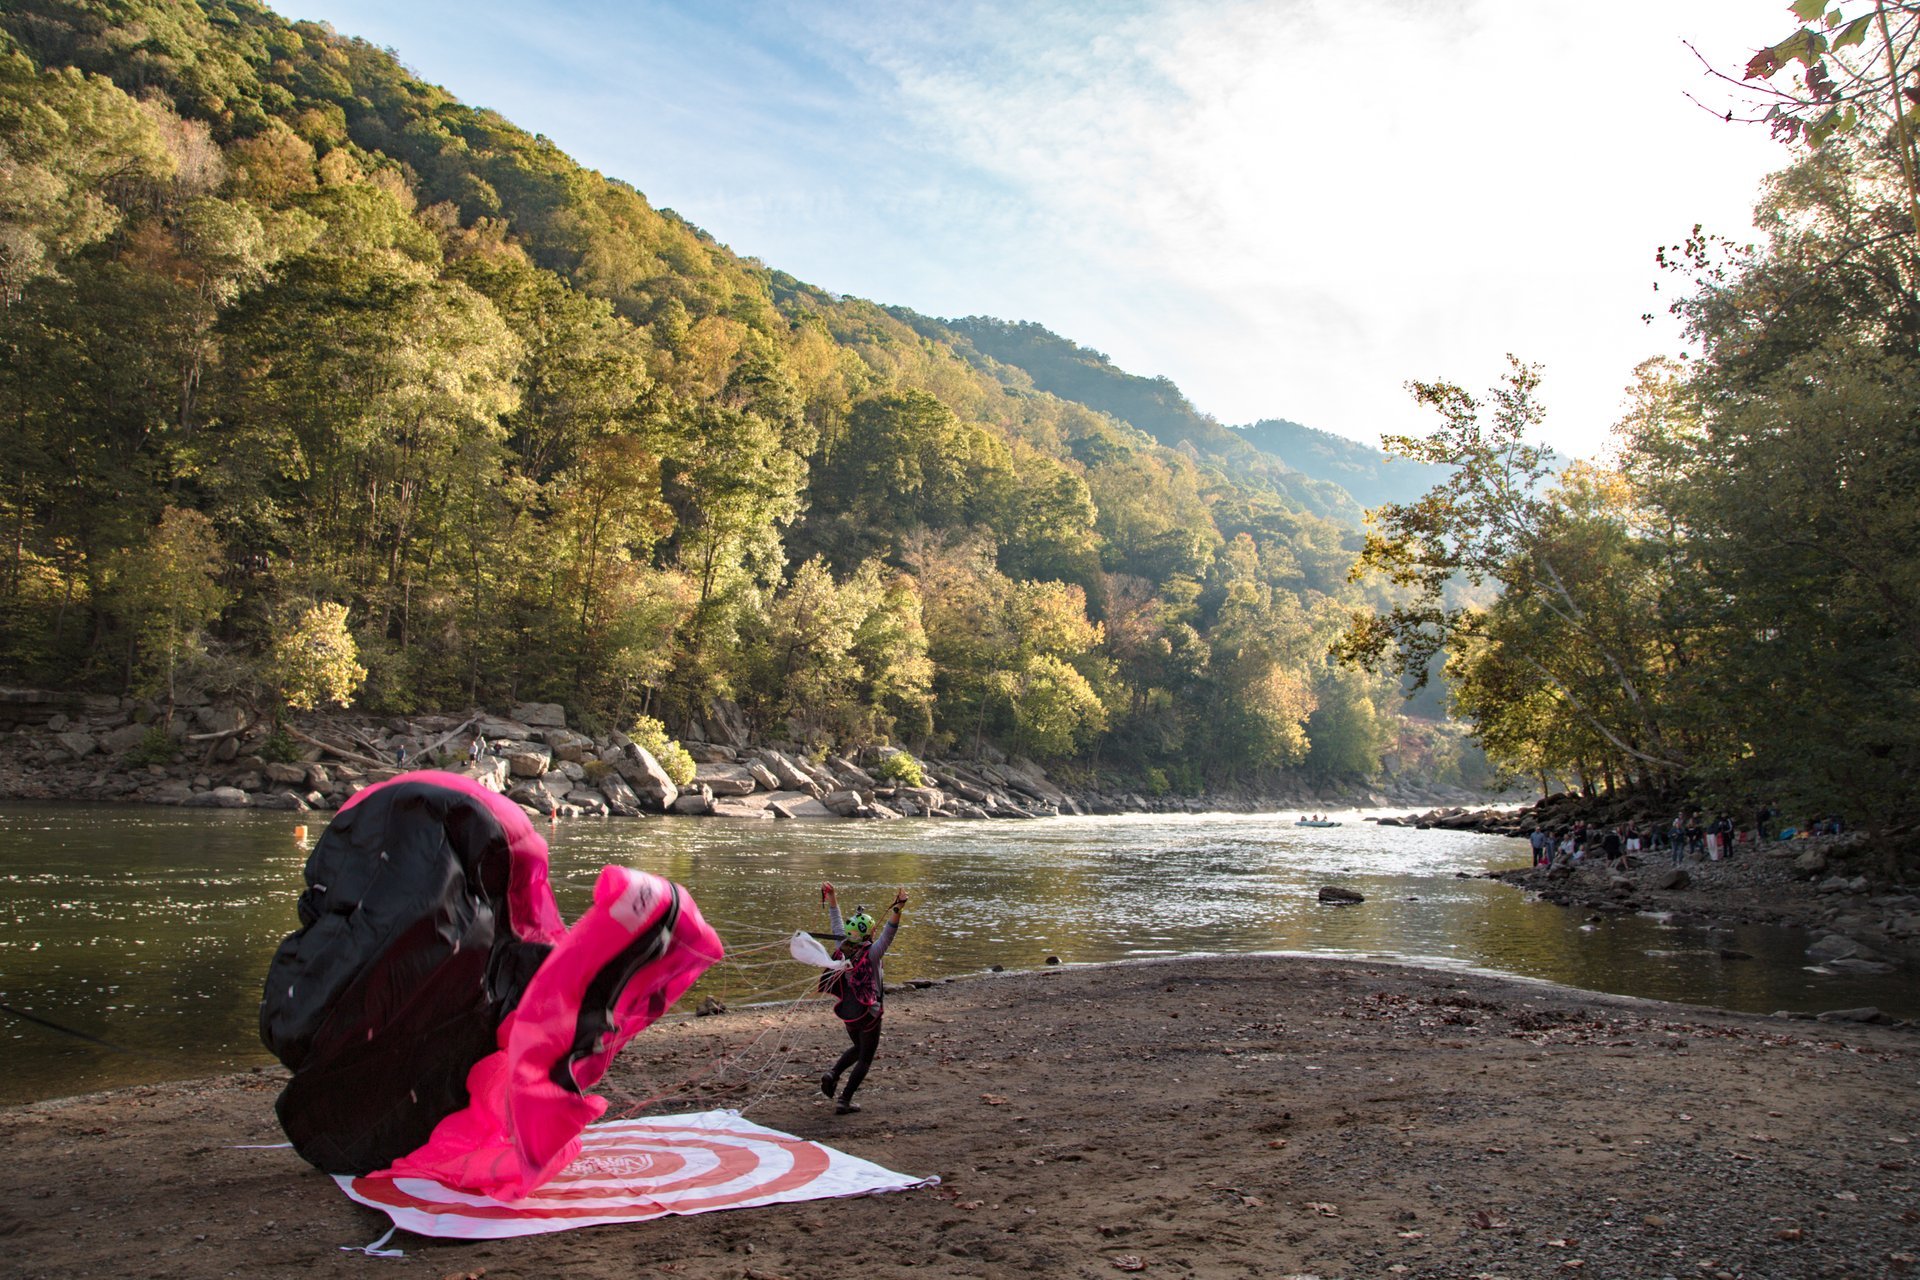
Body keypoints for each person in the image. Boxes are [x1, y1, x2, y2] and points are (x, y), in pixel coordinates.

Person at [818, 881, 907, 1115]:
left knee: (857, 1047)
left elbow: (836, 921)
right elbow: (890, 932)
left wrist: (833, 897)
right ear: (869, 933)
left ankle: (833, 1073)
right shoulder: (873, 953)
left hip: (847, 1011)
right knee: (865, 1057)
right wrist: (898, 908)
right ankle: (844, 1100)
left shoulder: (841, 946)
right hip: (869, 1012)